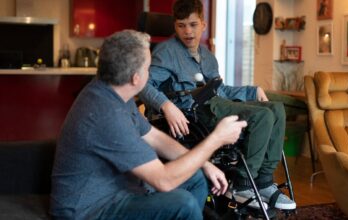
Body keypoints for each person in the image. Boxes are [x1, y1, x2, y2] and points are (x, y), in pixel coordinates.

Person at [50, 29, 248, 220]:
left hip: (116, 190)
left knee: (195, 176)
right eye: (147, 68)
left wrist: (204, 164)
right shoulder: (107, 113)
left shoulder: (115, 91)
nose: (149, 73)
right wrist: (215, 140)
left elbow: (153, 136)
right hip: (90, 210)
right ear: (136, 78)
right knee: (183, 203)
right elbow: (163, 180)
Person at [139, 0, 296, 210]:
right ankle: (242, 184)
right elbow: (144, 85)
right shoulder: (166, 52)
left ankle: (264, 181)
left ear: (203, 24)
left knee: (276, 108)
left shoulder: (207, 55)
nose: (187, 31)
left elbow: (221, 90)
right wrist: (166, 105)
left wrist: (252, 90)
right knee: (262, 117)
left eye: (193, 24)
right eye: (181, 25)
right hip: (194, 112)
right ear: (174, 26)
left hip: (217, 104)